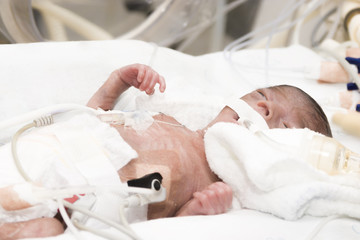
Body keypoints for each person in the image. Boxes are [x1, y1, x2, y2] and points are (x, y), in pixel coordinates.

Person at [0, 63, 332, 239]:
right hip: (41, 150)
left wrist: (198, 211)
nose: (263, 108)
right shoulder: (170, 119)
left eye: (285, 126)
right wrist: (116, 83)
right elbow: (91, 118)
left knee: (44, 232)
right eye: (261, 96)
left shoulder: (213, 185)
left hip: (71, 208)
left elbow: (167, 228)